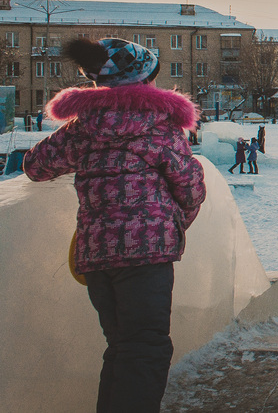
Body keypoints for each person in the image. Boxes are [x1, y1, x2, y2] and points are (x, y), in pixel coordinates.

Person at [22, 37, 205, 413]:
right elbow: (190, 186)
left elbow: (35, 166)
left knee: (121, 346)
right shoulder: (158, 125)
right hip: (147, 253)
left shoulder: (82, 128)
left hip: (97, 255)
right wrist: (174, 221)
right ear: (144, 80)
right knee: (147, 347)